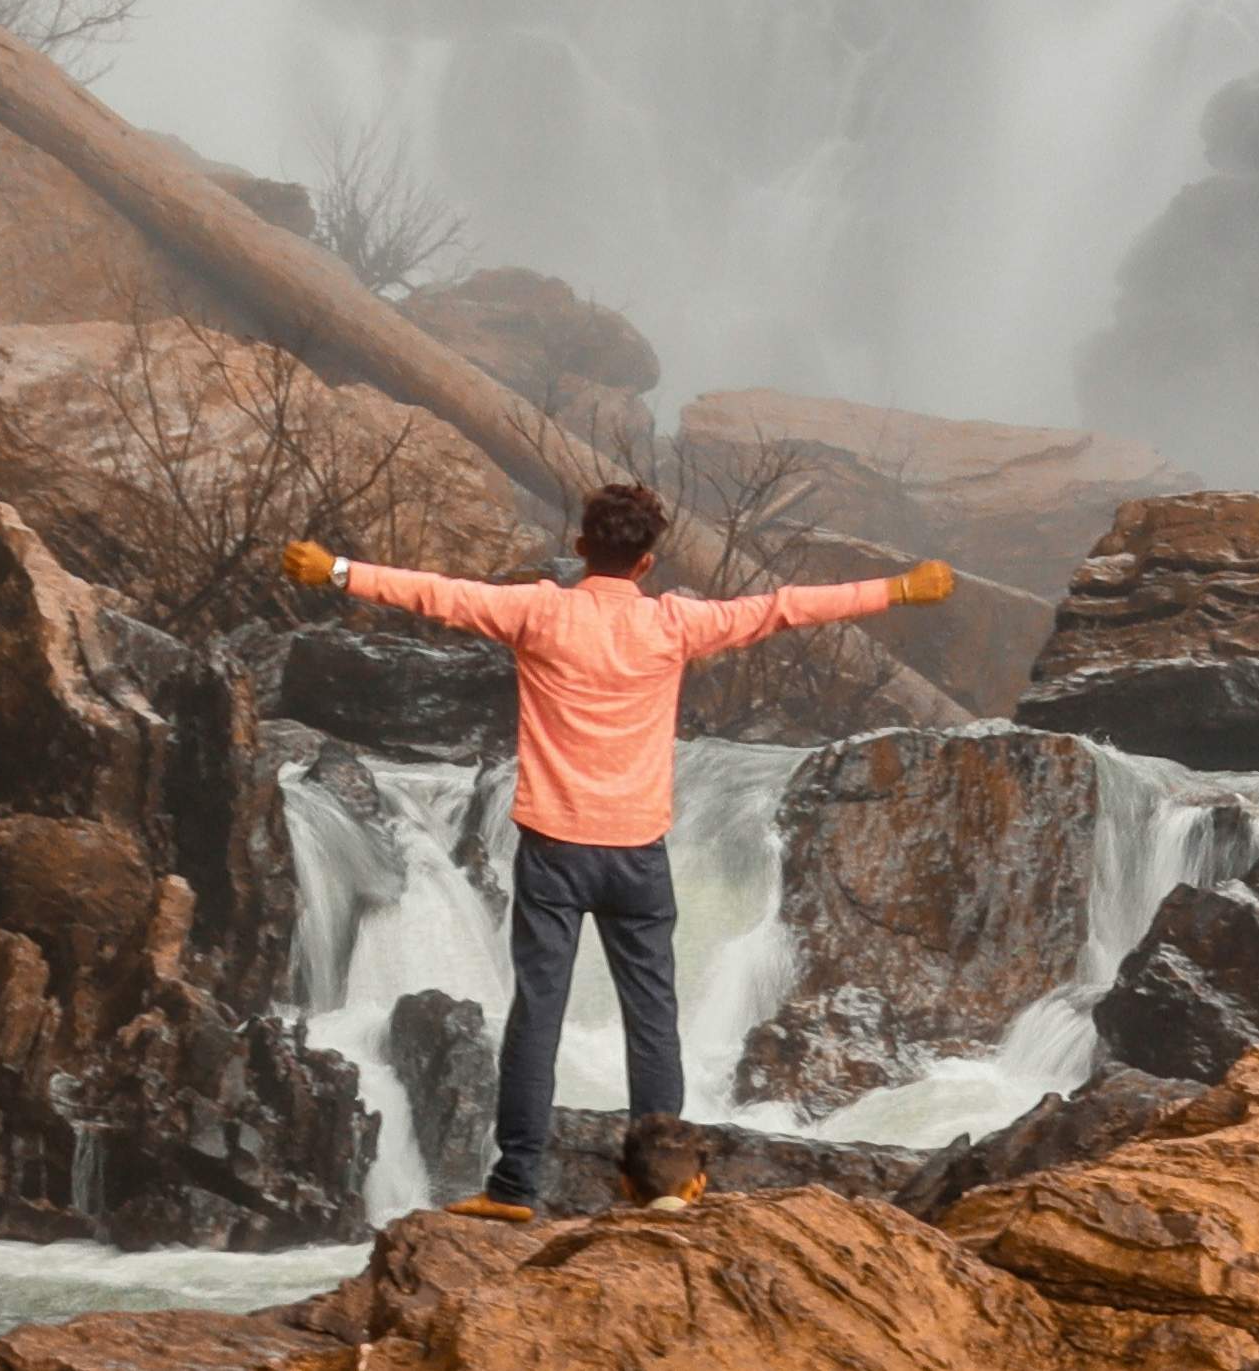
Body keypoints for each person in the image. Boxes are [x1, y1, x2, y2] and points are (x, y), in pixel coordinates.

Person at [286, 483, 952, 1216]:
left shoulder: (539, 610)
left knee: (538, 1014)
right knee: (652, 1019)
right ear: (647, 561)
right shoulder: (673, 624)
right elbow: (783, 607)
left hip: (553, 849)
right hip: (637, 852)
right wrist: (898, 588)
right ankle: (666, 1189)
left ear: (581, 549)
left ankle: (513, 1187)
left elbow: (438, 594)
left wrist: (337, 570)